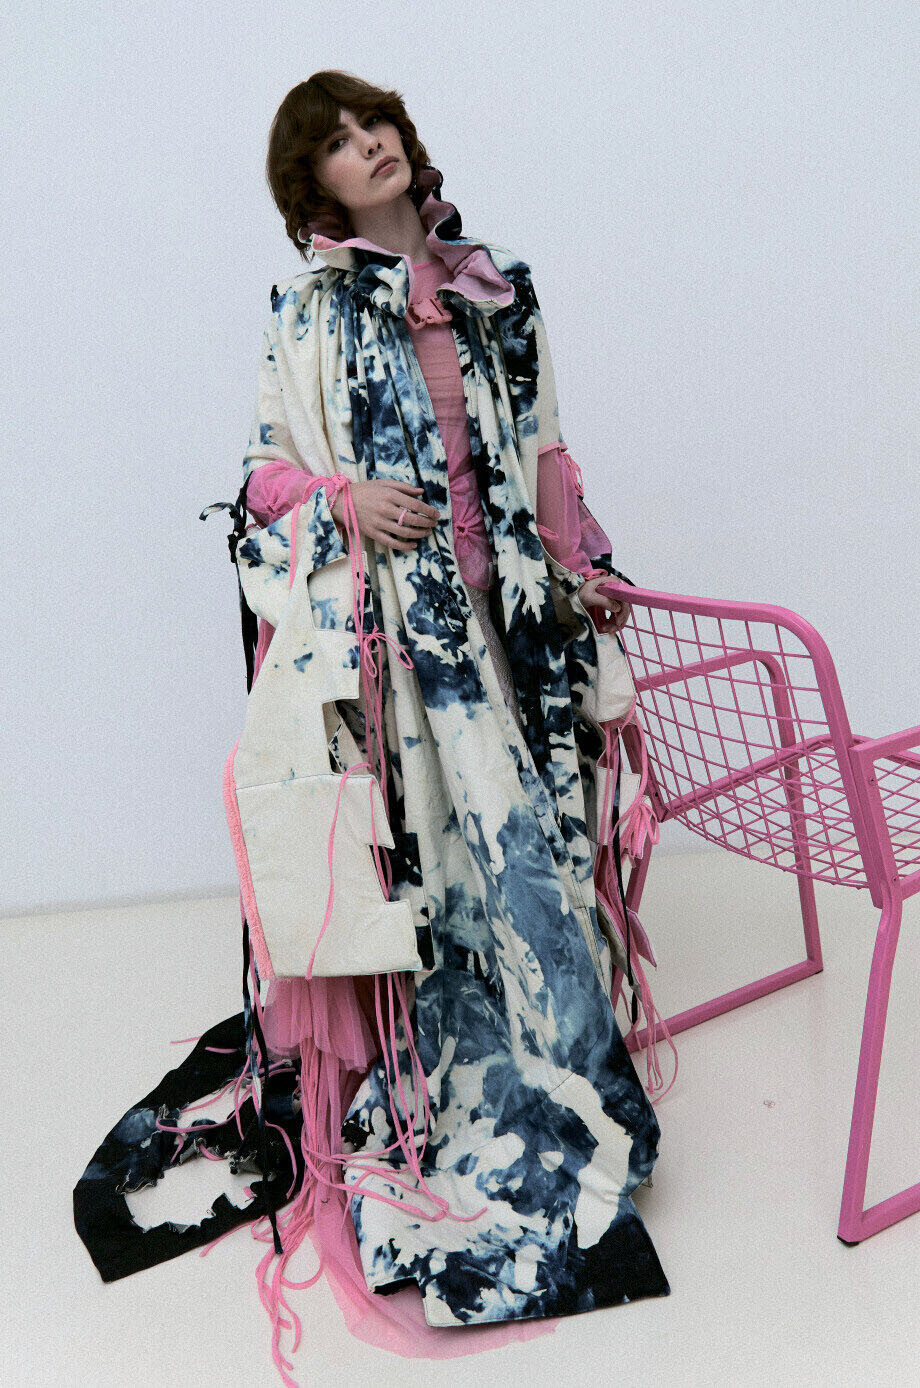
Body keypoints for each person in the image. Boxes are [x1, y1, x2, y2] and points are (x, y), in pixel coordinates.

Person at [72, 69, 670, 1388]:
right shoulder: (309, 310)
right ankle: (473, 1103)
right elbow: (262, 480)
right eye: (339, 143)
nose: (370, 147)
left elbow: (549, 452)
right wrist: (344, 499)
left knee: (539, 857)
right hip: (409, 644)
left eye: (376, 124)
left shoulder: (500, 287)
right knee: (452, 877)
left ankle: (570, 1079)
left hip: (517, 622)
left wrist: (587, 566)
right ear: (316, 186)